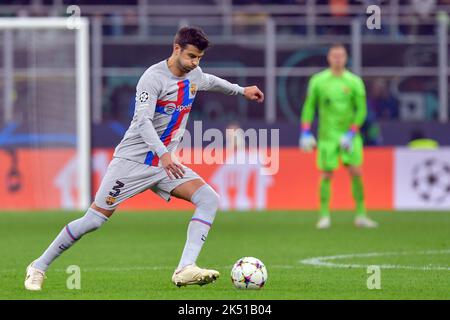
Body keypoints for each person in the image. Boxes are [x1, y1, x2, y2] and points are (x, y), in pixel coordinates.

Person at [24, 26, 264, 291]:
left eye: (199, 58)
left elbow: (212, 81)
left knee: (208, 199)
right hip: (133, 162)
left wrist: (242, 90)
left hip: (164, 165)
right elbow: (142, 122)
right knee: (93, 220)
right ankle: (38, 266)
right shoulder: (152, 78)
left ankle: (185, 268)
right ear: (177, 49)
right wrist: (163, 154)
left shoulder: (194, 74)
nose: (195, 63)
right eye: (192, 56)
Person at [299, 44, 378, 229]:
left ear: (346, 58)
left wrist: (351, 132)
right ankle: (324, 215)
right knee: (326, 174)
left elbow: (362, 110)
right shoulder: (318, 80)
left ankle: (361, 214)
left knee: (356, 172)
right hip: (327, 136)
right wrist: (305, 130)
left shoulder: (354, 81)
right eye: (334, 55)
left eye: (341, 55)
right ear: (328, 58)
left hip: (350, 135)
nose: (337, 58)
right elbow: (309, 106)